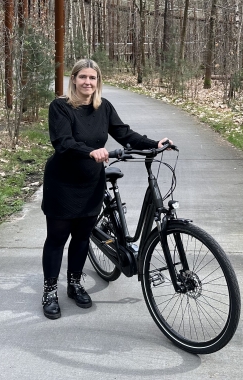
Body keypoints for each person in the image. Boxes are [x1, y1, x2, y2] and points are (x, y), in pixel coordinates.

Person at [40, 59, 172, 320]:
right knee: (57, 239)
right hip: (63, 183)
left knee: (81, 238)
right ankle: (50, 291)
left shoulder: (104, 107)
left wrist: (154, 143)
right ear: (74, 80)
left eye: (93, 78)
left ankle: (75, 284)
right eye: (83, 77)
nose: (88, 82)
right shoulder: (60, 107)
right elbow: (63, 143)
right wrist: (90, 151)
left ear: (98, 82)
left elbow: (124, 133)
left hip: (92, 183)